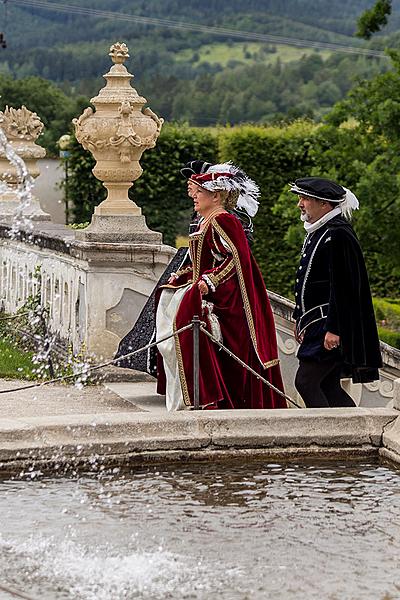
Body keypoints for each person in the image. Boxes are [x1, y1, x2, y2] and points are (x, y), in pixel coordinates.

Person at [156, 163, 286, 410]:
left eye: (199, 191)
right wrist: (183, 275)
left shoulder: (223, 220)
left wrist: (209, 281)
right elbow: (202, 262)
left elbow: (236, 259)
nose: (193, 195)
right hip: (216, 297)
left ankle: (221, 402)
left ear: (216, 195)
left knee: (228, 353)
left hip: (229, 303)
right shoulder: (208, 221)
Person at [289, 176, 382, 408]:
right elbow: (309, 283)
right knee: (328, 385)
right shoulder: (320, 231)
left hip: (328, 325)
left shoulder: (338, 233)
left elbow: (346, 288)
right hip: (316, 324)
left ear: (325, 204)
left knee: (306, 382)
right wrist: (299, 318)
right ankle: (356, 433)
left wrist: (334, 328)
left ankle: (325, 436)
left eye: (306, 198)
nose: (300, 203)